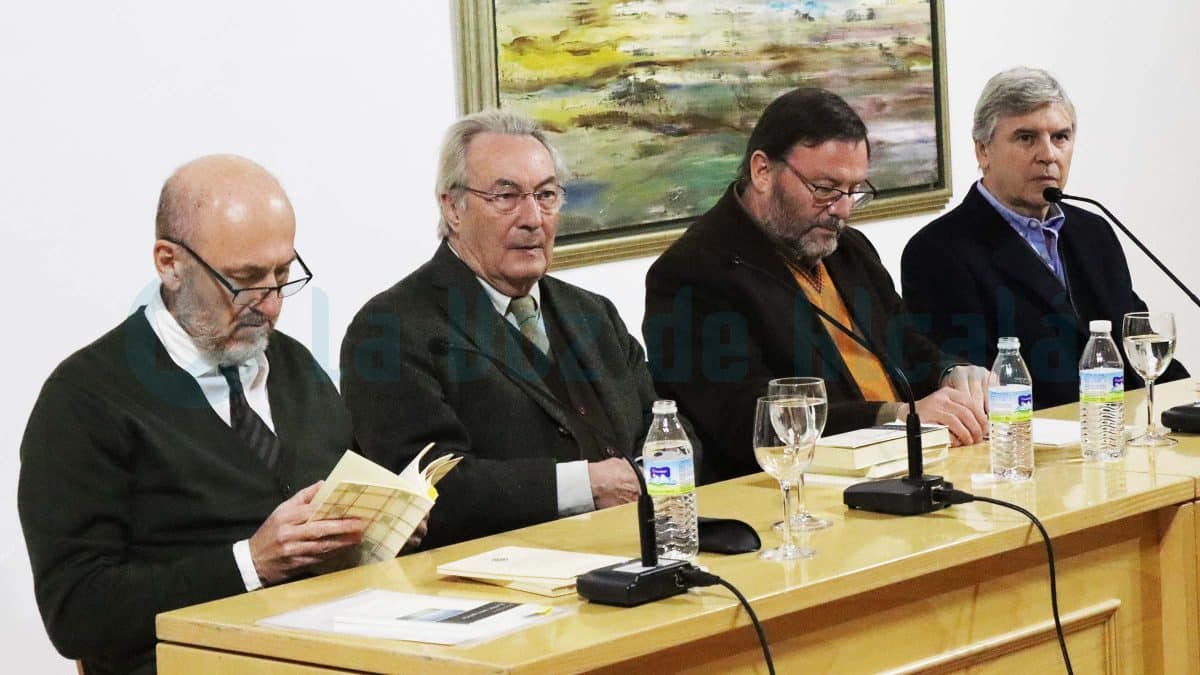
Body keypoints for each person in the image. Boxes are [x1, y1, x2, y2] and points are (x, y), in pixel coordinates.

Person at [17, 156, 387, 675]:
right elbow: (76, 611)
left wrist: (382, 528)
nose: (272, 305)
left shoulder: (294, 365)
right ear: (169, 263)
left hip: (333, 647)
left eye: (282, 275)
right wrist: (249, 563)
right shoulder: (85, 399)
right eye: (243, 281)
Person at [340, 110, 699, 549]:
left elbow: (670, 428)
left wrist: (651, 474)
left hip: (633, 553)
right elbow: (429, 490)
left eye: (546, 195)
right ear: (452, 207)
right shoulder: (390, 330)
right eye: (506, 196)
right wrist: (583, 486)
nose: (533, 218)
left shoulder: (592, 313)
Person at [643, 88, 988, 483]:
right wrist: (894, 418)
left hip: (904, 470)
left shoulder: (849, 249)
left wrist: (951, 374)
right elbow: (743, 422)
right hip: (793, 493)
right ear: (762, 171)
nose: (842, 210)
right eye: (825, 189)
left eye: (855, 191)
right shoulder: (691, 273)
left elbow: (907, 348)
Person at [901, 67, 1187, 409]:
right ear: (983, 151)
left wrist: (1189, 399)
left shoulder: (1094, 232)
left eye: (1060, 137)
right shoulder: (937, 251)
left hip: (1116, 436)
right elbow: (974, 386)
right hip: (1028, 444)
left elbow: (1138, 348)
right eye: (1026, 138)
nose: (1048, 154)